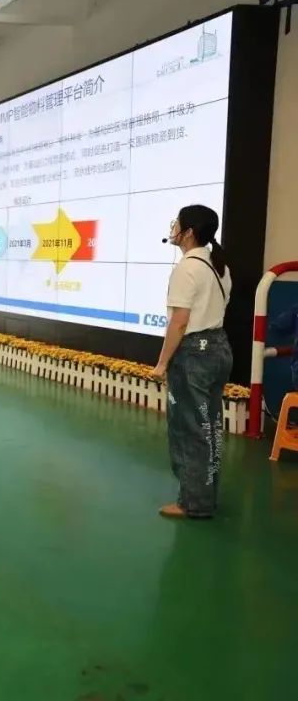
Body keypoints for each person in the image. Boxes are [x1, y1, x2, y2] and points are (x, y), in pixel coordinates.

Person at [150, 205, 233, 520]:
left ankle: (193, 503)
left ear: (188, 233)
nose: (173, 228)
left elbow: (180, 321)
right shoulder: (219, 265)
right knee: (209, 428)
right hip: (218, 349)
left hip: (194, 354)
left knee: (189, 430)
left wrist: (162, 363)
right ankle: (205, 496)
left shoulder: (187, 268)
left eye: (177, 224)